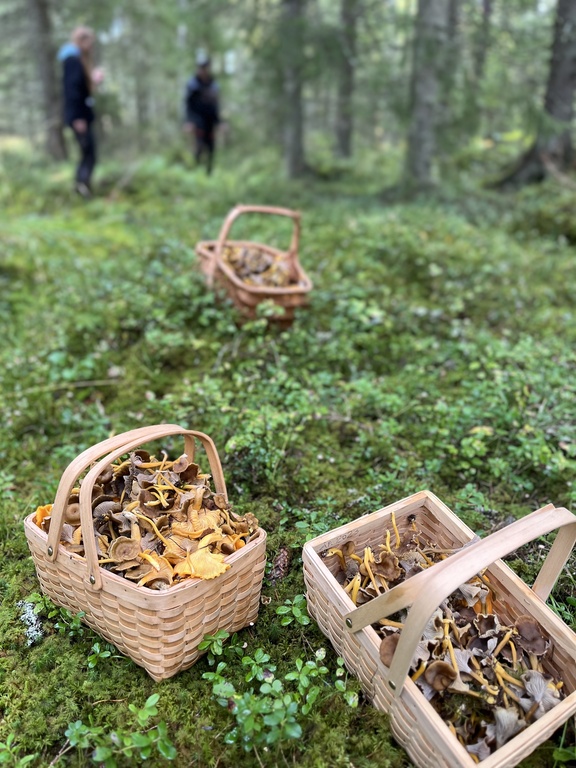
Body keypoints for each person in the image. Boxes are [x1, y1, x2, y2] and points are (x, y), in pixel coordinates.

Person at [58, 27, 102, 198]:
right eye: (89, 41)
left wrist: (93, 80)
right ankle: (82, 190)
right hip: (79, 117)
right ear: (82, 41)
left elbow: (81, 88)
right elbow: (72, 91)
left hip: (82, 114)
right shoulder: (73, 61)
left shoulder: (78, 61)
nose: (91, 45)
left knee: (88, 153)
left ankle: (82, 188)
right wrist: (78, 118)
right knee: (88, 153)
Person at [184, 56, 220, 175]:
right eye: (200, 67)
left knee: (211, 147)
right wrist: (188, 121)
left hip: (210, 120)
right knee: (199, 146)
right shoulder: (193, 84)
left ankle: (209, 173)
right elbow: (187, 104)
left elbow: (216, 105)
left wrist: (220, 122)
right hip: (197, 120)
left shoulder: (213, 84)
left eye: (204, 67)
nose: (202, 70)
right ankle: (195, 171)